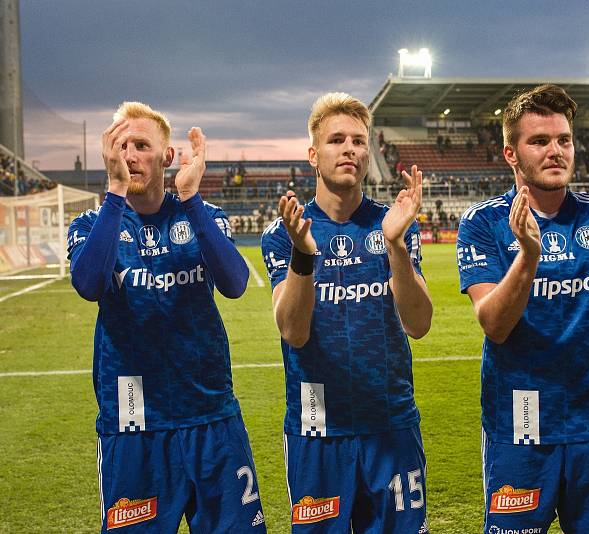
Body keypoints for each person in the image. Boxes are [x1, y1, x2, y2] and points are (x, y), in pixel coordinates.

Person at [457, 84, 589, 534]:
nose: (556, 151)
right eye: (540, 141)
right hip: (520, 425)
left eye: (564, 140)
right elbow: (494, 325)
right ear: (511, 153)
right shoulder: (483, 223)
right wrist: (527, 257)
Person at [67, 102, 265, 532]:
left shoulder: (204, 217)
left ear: (168, 157)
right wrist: (115, 193)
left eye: (142, 145)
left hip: (211, 415)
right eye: (121, 146)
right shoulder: (89, 224)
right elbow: (89, 285)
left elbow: (234, 283)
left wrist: (191, 198)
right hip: (133, 424)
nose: (130, 155)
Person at [261, 92, 432, 533]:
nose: (351, 149)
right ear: (314, 155)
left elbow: (419, 323)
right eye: (337, 140)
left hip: (390, 423)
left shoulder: (392, 224)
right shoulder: (286, 233)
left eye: (359, 140)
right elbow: (293, 332)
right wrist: (303, 256)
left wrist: (395, 244)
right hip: (317, 429)